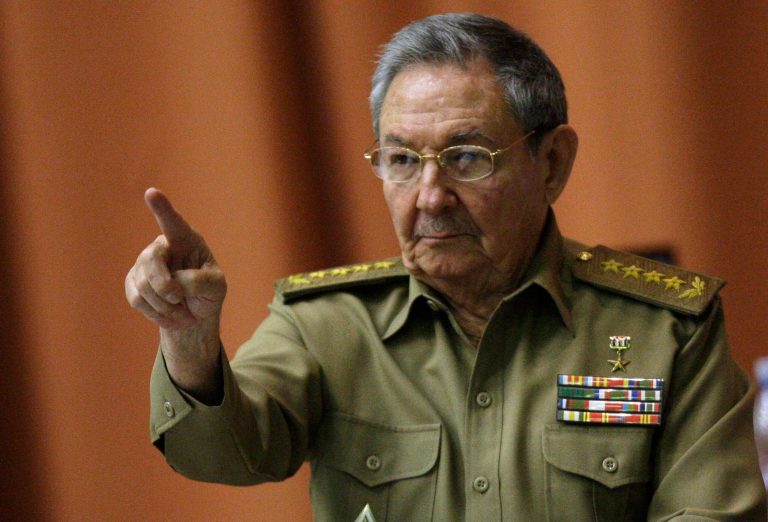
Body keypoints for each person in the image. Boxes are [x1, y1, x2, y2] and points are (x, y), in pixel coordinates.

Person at [125, 13, 766, 521]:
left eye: (466, 157)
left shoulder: (666, 330)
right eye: (402, 160)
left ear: (552, 164)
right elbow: (224, 453)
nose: (430, 196)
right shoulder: (328, 326)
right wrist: (189, 337)